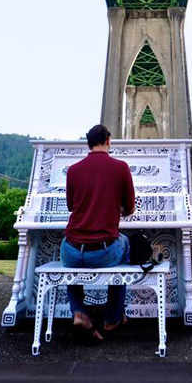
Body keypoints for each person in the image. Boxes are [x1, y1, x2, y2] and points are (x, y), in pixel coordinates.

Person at [60, 124, 136, 342]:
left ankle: (79, 312)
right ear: (108, 141)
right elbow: (130, 209)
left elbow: (71, 207)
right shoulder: (120, 167)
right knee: (125, 244)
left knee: (66, 255)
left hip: (73, 248)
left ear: (88, 143)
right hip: (103, 251)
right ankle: (112, 318)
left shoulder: (73, 170)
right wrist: (112, 207)